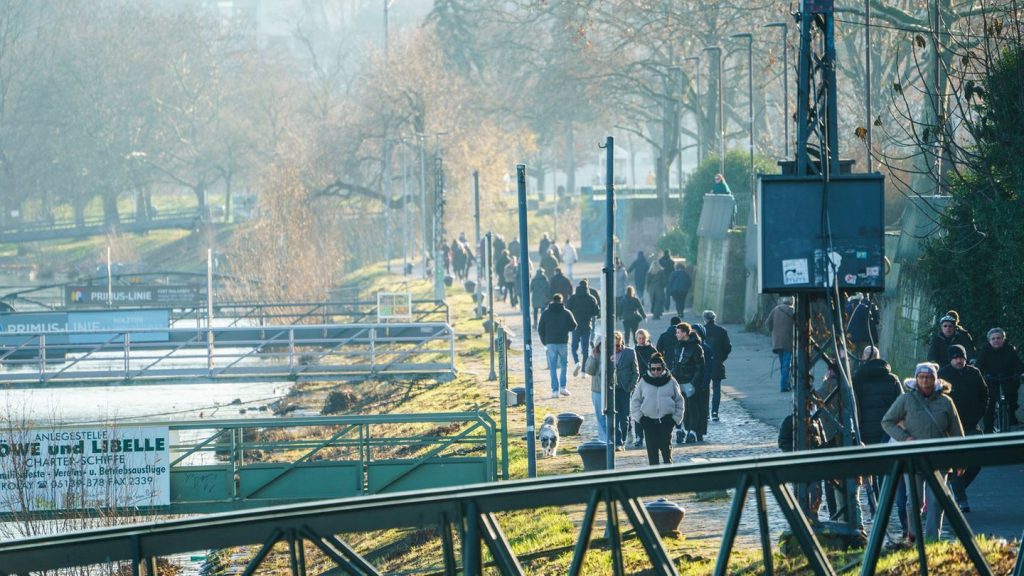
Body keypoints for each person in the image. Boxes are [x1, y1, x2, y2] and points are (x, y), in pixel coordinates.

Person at [881, 362, 965, 542]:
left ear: (935, 379)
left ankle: (931, 540)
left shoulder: (946, 402)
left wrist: (960, 459)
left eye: (928, 377)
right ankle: (914, 537)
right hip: (913, 458)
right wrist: (904, 438)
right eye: (921, 377)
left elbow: (957, 432)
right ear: (916, 378)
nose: (925, 380)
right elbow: (887, 421)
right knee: (914, 502)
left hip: (939, 459)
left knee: (936, 502)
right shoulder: (906, 400)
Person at [852, 345, 903, 523]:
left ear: (864, 358)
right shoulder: (892, 379)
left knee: (870, 470)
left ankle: (875, 506)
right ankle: (883, 505)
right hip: (886, 430)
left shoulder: (857, 378)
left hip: (865, 429)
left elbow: (852, 405)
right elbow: (901, 405)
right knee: (885, 471)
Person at [939, 344, 989, 512]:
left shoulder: (974, 373)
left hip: (972, 424)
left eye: (961, 357)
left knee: (977, 461)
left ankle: (956, 489)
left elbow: (984, 394)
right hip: (951, 427)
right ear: (950, 359)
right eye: (955, 358)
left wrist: (979, 412)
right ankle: (961, 499)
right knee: (956, 462)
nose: (958, 360)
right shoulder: (943, 375)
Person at [630, 353, 684, 465]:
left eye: (659, 369)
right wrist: (641, 419)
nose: (656, 372)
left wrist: (675, 419)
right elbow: (635, 402)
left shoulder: (671, 381)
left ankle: (668, 478)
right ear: (650, 368)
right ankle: (654, 478)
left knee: (666, 452)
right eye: (653, 369)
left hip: (666, 421)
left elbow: (679, 401)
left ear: (663, 368)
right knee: (652, 453)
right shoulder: (643, 382)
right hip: (649, 422)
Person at [975, 327, 1023, 432]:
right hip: (991, 381)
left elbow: (1018, 364)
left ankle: (1011, 419)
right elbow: (979, 366)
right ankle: (988, 430)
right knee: (989, 405)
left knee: (1012, 400)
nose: (996, 340)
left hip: (1007, 379)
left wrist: (1021, 373)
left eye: (999, 338)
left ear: (1003, 339)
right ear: (989, 340)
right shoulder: (985, 350)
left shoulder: (1009, 349)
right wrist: (978, 375)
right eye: (993, 339)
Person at [537, 294, 577, 398]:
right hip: (563, 341)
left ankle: (555, 390)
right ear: (561, 300)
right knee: (564, 365)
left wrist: (544, 341)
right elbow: (574, 325)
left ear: (552, 300)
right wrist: (565, 329)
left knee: (553, 366)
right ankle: (563, 387)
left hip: (550, 342)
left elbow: (540, 328)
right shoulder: (566, 312)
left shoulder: (545, 313)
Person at [672, 322, 705, 444]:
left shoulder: (696, 348)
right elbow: (675, 363)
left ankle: (692, 431)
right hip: (677, 381)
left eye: (678, 332)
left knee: (691, 407)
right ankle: (680, 430)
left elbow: (700, 367)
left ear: (685, 333)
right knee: (678, 408)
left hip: (689, 382)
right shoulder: (678, 346)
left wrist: (693, 383)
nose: (676, 334)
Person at [701, 310, 732, 422]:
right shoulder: (722, 331)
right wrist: (721, 358)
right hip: (717, 362)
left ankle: (705, 412)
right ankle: (715, 412)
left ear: (704, 318)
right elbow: (728, 347)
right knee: (716, 389)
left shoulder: (701, 330)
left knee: (704, 389)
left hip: (704, 363)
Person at [612, 331, 639, 450]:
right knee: (615, 417)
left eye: (617, 345)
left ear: (621, 342)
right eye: (612, 345)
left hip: (625, 389)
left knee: (624, 418)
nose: (615, 348)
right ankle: (619, 442)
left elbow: (636, 371)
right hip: (612, 389)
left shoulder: (629, 352)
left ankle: (623, 437)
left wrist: (631, 386)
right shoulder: (607, 353)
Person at [633, 329, 658, 448]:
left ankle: (651, 435)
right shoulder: (633, 350)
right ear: (636, 338)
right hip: (638, 384)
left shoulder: (652, 350)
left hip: (651, 383)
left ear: (647, 338)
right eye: (639, 338)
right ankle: (639, 436)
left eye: (643, 338)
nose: (641, 340)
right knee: (638, 410)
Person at [566, 282, 599, 375]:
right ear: (587, 287)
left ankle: (577, 362)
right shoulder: (591, 298)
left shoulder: (573, 298)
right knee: (585, 349)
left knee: (573, 347)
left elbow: (567, 309)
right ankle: (583, 371)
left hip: (575, 326)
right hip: (587, 326)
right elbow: (596, 312)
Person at [766, 296, 796, 392]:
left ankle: (786, 383)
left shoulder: (776, 309)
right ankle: (784, 386)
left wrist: (773, 331)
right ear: (792, 302)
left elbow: (767, 323)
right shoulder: (793, 311)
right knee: (786, 365)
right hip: (788, 341)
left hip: (777, 341)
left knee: (783, 364)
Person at [846, 295, 880, 371]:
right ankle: (864, 374)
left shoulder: (848, 306)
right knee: (866, 357)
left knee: (852, 357)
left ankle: (849, 377)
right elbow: (875, 321)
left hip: (852, 338)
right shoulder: (870, 306)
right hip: (865, 337)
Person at [583, 338, 607, 443]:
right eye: (601, 346)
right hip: (597, 390)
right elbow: (589, 371)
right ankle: (603, 439)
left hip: (610, 390)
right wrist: (592, 357)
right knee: (600, 416)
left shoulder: (612, 356)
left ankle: (613, 439)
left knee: (610, 417)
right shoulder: (595, 356)